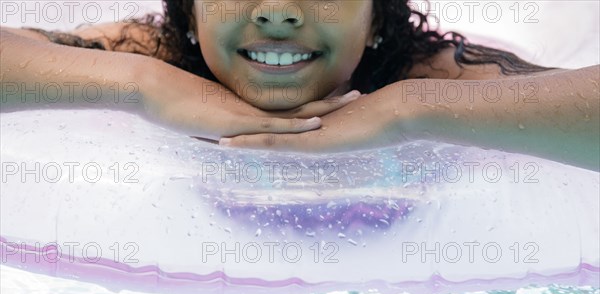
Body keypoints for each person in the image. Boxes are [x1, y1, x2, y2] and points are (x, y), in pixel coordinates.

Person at [1, 0, 598, 170]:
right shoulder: (148, 51)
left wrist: (408, 110)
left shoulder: (436, 75)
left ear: (376, 19)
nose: (280, 11)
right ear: (188, 13)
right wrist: (137, 82)